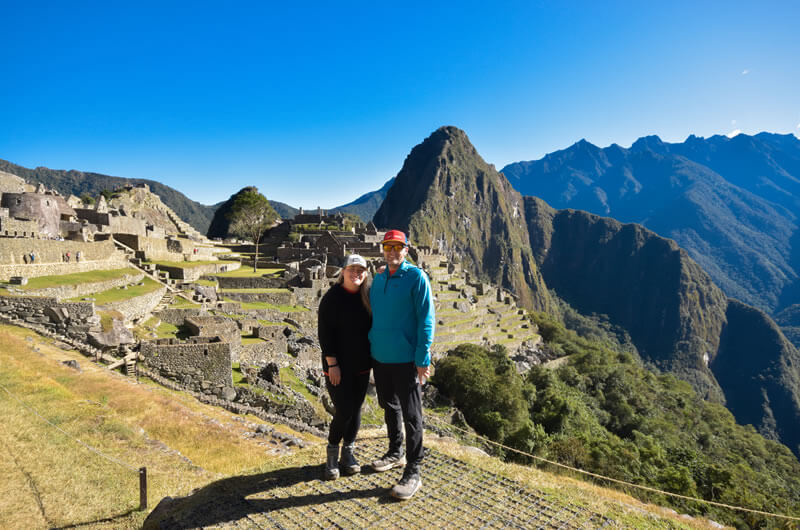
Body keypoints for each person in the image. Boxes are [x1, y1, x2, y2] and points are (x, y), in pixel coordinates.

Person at [368, 229, 435, 500]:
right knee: (389, 405)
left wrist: (422, 359)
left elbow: (426, 320)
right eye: (389, 246)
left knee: (412, 414)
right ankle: (395, 452)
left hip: (407, 360)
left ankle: (414, 469)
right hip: (380, 357)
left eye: (398, 247)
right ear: (383, 249)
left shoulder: (417, 278)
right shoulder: (379, 278)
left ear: (406, 250)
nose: (393, 251)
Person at [317, 253, 373, 480]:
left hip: (361, 365)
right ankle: (332, 452)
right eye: (352, 270)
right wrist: (332, 364)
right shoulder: (332, 298)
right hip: (337, 366)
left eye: (360, 270)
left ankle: (348, 452)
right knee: (344, 410)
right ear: (343, 272)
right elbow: (325, 334)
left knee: (356, 409)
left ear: (365, 274)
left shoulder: (367, 297)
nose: (356, 274)